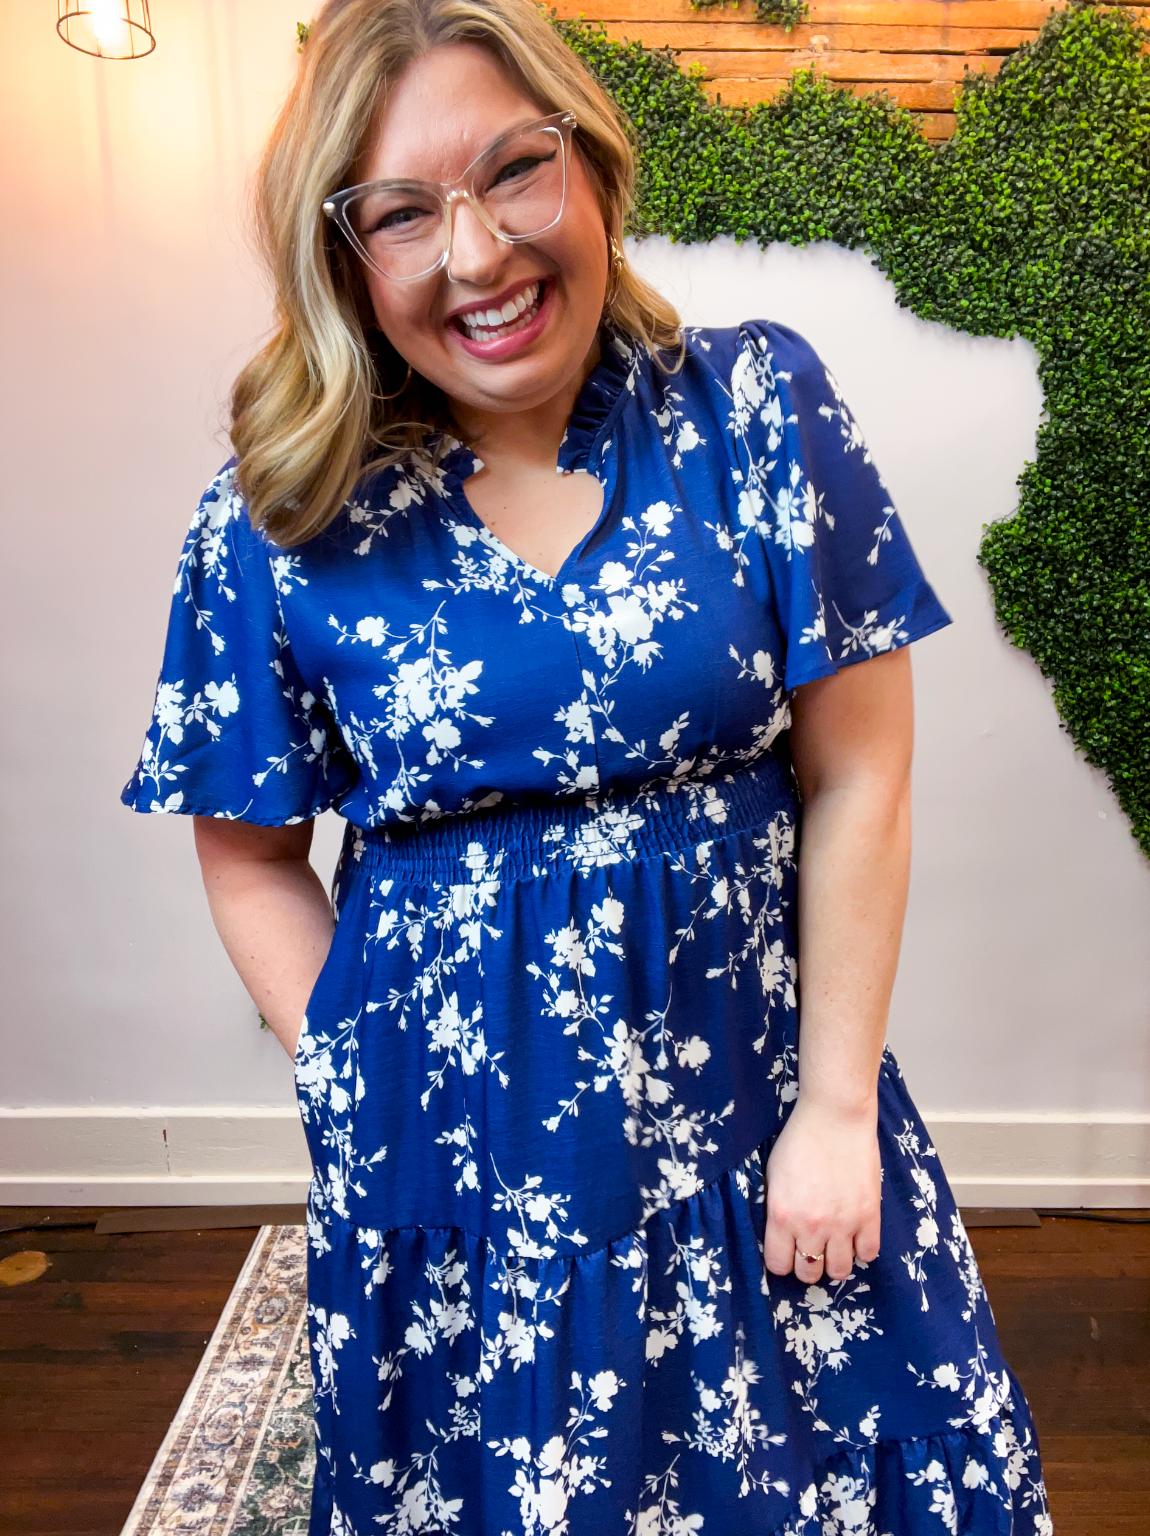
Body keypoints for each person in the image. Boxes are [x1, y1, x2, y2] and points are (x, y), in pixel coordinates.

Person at [123, 1, 1050, 1531]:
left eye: (513, 170)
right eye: (401, 212)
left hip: (750, 1104)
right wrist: (351, 1079)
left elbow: (860, 776)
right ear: (340, 255)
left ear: (594, 165)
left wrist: (832, 1112)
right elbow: (247, 852)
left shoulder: (753, 406)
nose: (476, 253)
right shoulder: (276, 517)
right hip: (455, 1156)